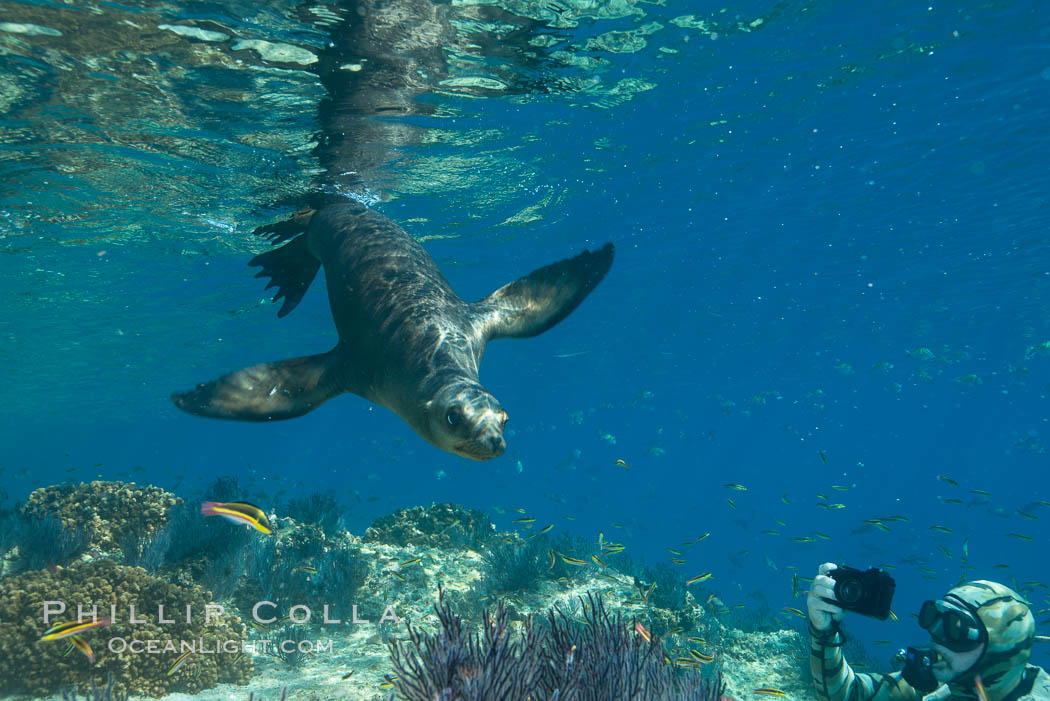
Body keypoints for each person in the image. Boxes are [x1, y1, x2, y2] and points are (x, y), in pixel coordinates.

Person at [807, 562, 1050, 701]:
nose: (937, 640)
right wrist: (825, 631)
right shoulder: (944, 684)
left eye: (956, 629)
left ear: (999, 649)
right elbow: (846, 694)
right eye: (935, 619)